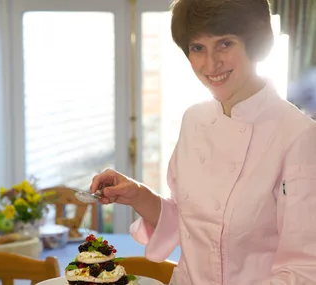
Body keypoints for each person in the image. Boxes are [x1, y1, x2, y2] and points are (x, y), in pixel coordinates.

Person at [87, 0, 316, 284]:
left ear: (255, 43)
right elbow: (192, 225)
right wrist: (137, 194)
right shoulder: (194, 119)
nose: (210, 64)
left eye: (225, 44)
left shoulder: (298, 135)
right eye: (197, 48)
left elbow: (304, 268)